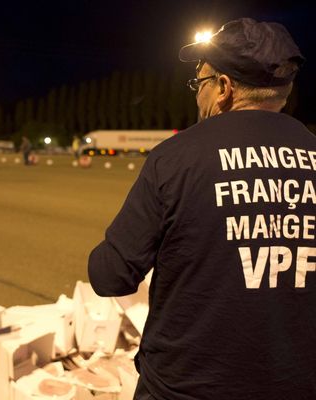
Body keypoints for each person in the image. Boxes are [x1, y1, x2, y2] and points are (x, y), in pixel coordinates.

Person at [88, 18, 315, 400]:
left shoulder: (175, 158)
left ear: (224, 88)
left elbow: (111, 276)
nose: (197, 96)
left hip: (185, 387)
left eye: (200, 83)